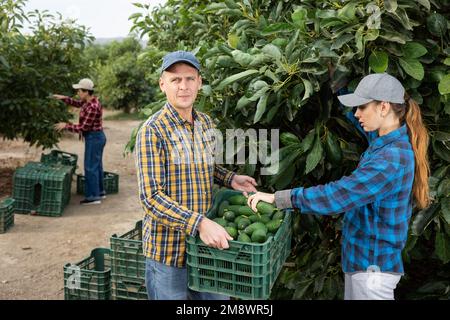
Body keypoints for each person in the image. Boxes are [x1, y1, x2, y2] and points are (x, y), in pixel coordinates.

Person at [247, 73, 430, 300]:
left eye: (362, 107)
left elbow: (338, 195)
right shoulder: (385, 140)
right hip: (363, 264)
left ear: (383, 108)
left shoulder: (390, 160)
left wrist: (278, 199)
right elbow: (358, 120)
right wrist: (337, 82)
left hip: (372, 271)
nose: (356, 114)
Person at [134, 50, 258, 300]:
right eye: (175, 80)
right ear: (162, 85)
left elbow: (206, 166)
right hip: (169, 253)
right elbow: (151, 197)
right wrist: (199, 223)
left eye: (190, 79)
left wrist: (230, 179)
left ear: (199, 83)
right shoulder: (152, 131)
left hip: (207, 251)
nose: (183, 86)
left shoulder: (206, 123)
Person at [53, 78, 107, 205]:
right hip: (96, 137)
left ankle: (93, 197)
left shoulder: (92, 106)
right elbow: (77, 103)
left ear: (86, 92)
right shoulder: (88, 102)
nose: (78, 93)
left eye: (79, 91)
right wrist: (63, 98)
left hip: (94, 138)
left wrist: (66, 126)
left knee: (90, 167)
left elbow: (84, 128)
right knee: (96, 165)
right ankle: (99, 192)